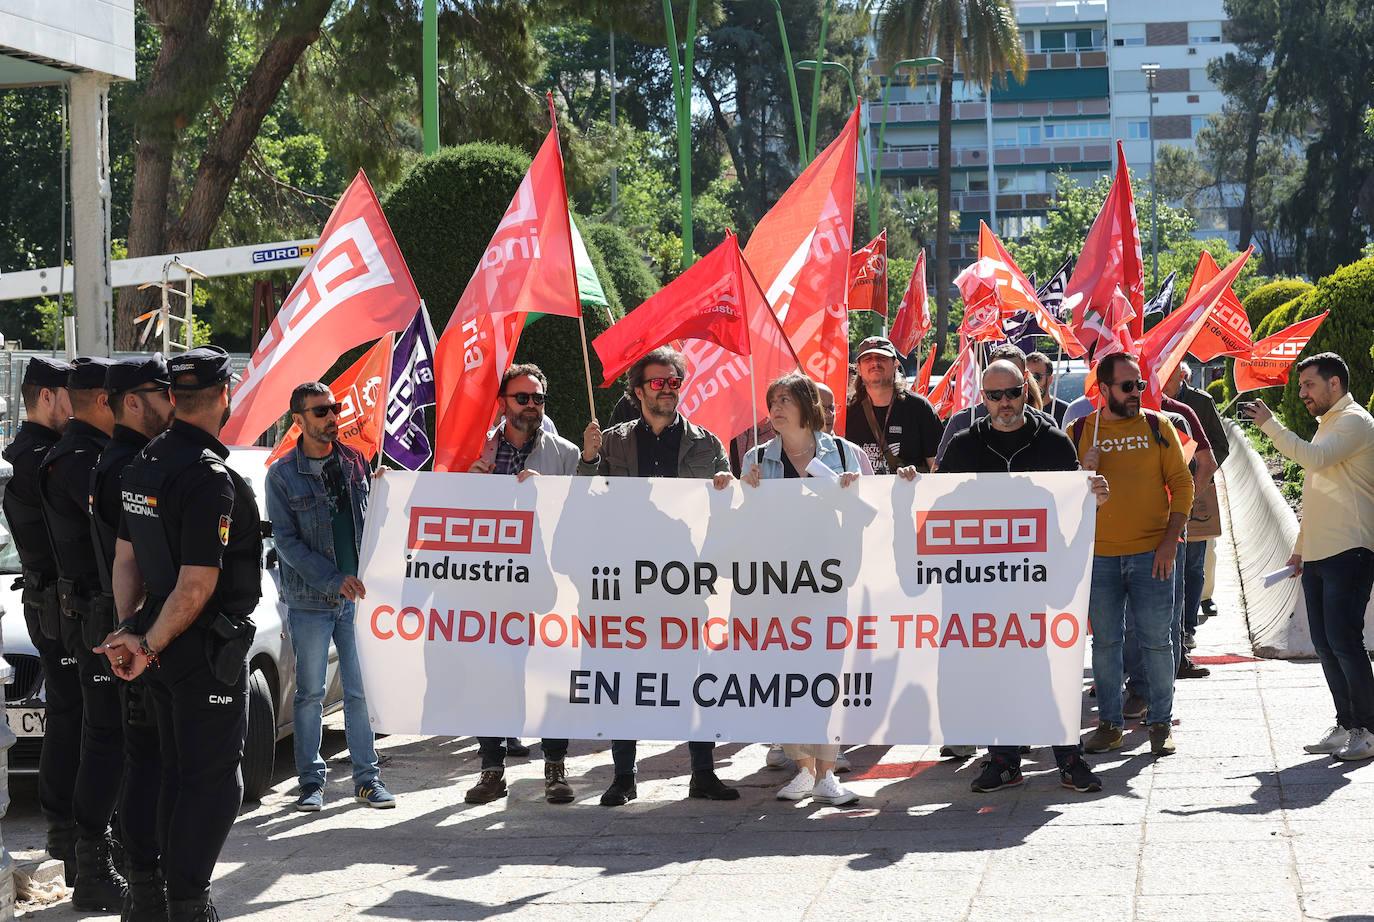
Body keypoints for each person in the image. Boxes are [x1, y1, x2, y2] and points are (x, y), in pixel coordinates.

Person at [97, 346, 264, 922]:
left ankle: (146, 895)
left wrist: (131, 629)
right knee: (212, 781)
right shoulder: (207, 478)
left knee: (163, 769)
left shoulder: (143, 463)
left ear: (172, 397)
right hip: (196, 648)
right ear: (225, 395)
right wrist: (144, 643)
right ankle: (187, 904)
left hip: (158, 646)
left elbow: (125, 561)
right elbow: (195, 587)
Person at [578, 347, 739, 806]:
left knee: (694, 675)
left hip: (683, 579)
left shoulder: (707, 445)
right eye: (657, 382)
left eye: (673, 381)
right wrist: (588, 460)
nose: (666, 389)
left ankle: (702, 773)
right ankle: (623, 777)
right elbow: (580, 504)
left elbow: (726, 512)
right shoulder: (609, 442)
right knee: (626, 676)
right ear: (637, 390)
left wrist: (728, 488)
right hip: (626, 579)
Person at [937, 360, 1108, 793]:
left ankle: (1070, 759)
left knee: (1056, 668)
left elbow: (1074, 507)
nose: (1005, 404)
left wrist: (1093, 497)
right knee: (997, 672)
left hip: (1043, 578)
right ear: (983, 399)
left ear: (1025, 390)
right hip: (984, 583)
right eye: (994, 397)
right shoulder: (962, 445)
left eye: (1012, 393)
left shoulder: (1052, 440)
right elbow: (934, 506)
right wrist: (908, 486)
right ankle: (1004, 760)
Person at [463, 364, 594, 806]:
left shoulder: (565, 454)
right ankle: (491, 769)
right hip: (492, 583)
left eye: (539, 399)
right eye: (523, 398)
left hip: (550, 583)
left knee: (551, 674)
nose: (532, 406)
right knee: (493, 677)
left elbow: (587, 510)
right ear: (503, 402)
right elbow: (445, 508)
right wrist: (468, 485)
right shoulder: (475, 449)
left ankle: (554, 769)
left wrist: (552, 493)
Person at [266, 382, 396, 813]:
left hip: (356, 602)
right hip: (310, 601)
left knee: (360, 692)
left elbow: (370, 522)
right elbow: (285, 542)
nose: (331, 417)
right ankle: (310, 784)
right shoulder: (282, 475)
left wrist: (382, 491)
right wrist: (332, 578)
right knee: (309, 694)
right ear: (298, 421)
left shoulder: (355, 462)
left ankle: (367, 780)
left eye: (334, 408)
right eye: (321, 412)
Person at [1242, 353, 1374, 761]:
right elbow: (1319, 496)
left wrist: (1270, 424)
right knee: (1325, 642)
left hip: (1350, 551)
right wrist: (1300, 551)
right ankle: (1346, 724)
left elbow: (1313, 461)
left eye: (1309, 385)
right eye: (1301, 387)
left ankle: (1367, 730)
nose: (1302, 393)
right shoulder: (1328, 426)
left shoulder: (1355, 420)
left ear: (1335, 384)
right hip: (1320, 554)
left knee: (1345, 642)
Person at [740, 373, 863, 805]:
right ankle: (803, 769)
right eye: (772, 399)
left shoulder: (847, 453)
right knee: (784, 676)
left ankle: (828, 773)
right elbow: (746, 527)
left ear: (809, 405)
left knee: (824, 674)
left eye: (786, 398)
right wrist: (741, 493)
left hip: (829, 581)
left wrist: (855, 493)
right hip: (776, 585)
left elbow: (871, 513)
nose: (776, 406)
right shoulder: (756, 458)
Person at [36, 356, 127, 910]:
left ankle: (100, 854)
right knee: (104, 738)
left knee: (112, 738)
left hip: (98, 614)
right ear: (102, 401)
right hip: (91, 617)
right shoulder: (77, 460)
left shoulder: (91, 455)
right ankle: (91, 864)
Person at [90, 354, 176, 921]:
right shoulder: (132, 466)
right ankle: (146, 888)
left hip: (128, 630)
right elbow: (136, 562)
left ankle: (143, 882)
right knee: (149, 764)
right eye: (160, 392)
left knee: (140, 760)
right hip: (138, 635)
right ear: (132, 401)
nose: (172, 402)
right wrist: (138, 633)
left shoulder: (117, 460)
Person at [1073, 353, 1193, 757]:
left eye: (1139, 385)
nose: (1136, 393)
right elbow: (1059, 498)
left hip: (1152, 555)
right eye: (1127, 386)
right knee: (1105, 645)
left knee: (1158, 643)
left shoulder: (1159, 427)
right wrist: (1080, 475)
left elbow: (1183, 486)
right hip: (1100, 559)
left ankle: (1160, 723)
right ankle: (1109, 724)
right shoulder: (1079, 431)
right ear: (1103, 389)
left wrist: (1168, 541)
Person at [1, 357, 77, 879]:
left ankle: (67, 833)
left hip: (45, 601)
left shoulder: (24, 455)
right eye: (71, 393)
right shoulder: (36, 459)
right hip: (57, 603)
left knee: (70, 722)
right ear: (47, 396)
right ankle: (69, 836)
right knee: (74, 722)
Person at [1169, 361, 1230, 640]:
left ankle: (1187, 627)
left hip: (1198, 488)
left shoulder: (1199, 403)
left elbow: (1221, 446)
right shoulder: (1146, 401)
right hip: (1162, 494)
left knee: (1194, 562)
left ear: (1182, 376)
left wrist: (1195, 466)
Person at [934, 343, 1051, 466]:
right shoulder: (962, 422)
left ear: (1025, 379)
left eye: (1012, 372)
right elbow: (939, 477)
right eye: (997, 371)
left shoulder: (1046, 425)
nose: (1004, 401)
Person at [844, 336, 943, 474]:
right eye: (868, 359)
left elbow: (937, 469)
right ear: (859, 369)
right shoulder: (846, 412)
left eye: (882, 358)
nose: (875, 363)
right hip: (862, 495)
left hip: (909, 494)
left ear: (895, 364)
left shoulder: (920, 408)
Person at [1026, 351, 1070, 426]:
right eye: (1027, 378)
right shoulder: (1018, 412)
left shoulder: (1066, 411)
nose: (1032, 383)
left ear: (1050, 380)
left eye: (1036, 377)